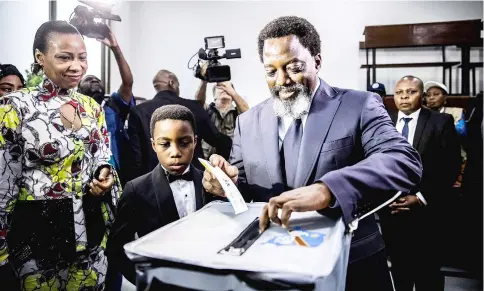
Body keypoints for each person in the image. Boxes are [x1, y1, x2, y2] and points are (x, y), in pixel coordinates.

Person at [202, 16, 422, 291]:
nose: (282, 81)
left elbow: (403, 160)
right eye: (271, 71)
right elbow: (245, 188)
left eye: (294, 68)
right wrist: (226, 183)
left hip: (350, 265)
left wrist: (329, 189)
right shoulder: (248, 122)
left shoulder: (359, 105)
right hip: (271, 265)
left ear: (317, 61)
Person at [0, 20, 121, 290]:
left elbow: (103, 155)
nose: (76, 66)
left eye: (82, 57)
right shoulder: (15, 107)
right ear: (40, 58)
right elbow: (2, 185)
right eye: (64, 57)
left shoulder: (91, 107)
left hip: (90, 237)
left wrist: (104, 173)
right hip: (36, 242)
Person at [107, 105, 207, 285]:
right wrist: (147, 282)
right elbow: (116, 248)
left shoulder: (209, 184)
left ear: (195, 142)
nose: (175, 152)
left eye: (184, 143)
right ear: (153, 145)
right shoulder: (136, 190)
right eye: (165, 144)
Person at [380, 75, 461, 291]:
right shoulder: (383, 121)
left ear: (422, 96)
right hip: (391, 209)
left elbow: (450, 166)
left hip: (426, 210)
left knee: (428, 271)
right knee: (399, 269)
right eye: (399, 92)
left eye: (411, 91)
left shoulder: (439, 122)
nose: (404, 96)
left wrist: (421, 197)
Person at [127, 69, 232, 181]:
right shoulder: (194, 107)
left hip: (153, 182)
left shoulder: (138, 111)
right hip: (194, 179)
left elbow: (135, 158)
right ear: (172, 83)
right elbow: (217, 140)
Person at [78, 26, 134, 187]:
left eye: (97, 79)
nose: (94, 81)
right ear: (78, 89)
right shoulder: (73, 110)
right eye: (88, 79)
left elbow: (128, 82)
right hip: (85, 178)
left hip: (118, 176)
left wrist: (115, 48)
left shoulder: (113, 106)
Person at [194, 77, 249, 158]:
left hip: (232, 161)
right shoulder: (207, 110)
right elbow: (197, 104)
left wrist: (233, 92)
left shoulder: (237, 112)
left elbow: (248, 113)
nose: (224, 89)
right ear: (214, 95)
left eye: (227, 87)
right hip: (207, 161)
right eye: (220, 87)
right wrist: (204, 81)